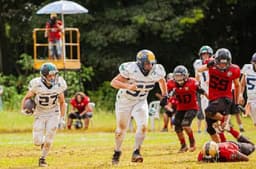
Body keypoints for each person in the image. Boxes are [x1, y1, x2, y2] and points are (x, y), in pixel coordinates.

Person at [110, 49, 168, 165]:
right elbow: (114, 82)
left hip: (140, 101)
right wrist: (127, 86)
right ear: (140, 63)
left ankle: (136, 152)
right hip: (124, 102)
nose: (150, 66)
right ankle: (117, 151)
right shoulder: (131, 69)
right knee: (121, 130)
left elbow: (162, 81)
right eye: (147, 63)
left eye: (151, 63)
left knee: (143, 126)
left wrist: (165, 95)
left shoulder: (157, 71)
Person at [21, 62, 67, 167]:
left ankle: (43, 158)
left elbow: (62, 102)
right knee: (37, 141)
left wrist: (62, 118)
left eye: (54, 75)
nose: (52, 77)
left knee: (49, 138)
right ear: (43, 76)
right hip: (40, 112)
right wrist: (23, 109)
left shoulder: (59, 84)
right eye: (50, 75)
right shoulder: (37, 84)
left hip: (53, 112)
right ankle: (42, 143)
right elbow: (27, 98)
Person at [197, 48, 244, 143]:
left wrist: (236, 102)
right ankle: (221, 146)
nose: (222, 66)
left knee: (208, 111)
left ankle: (225, 121)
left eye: (225, 63)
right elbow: (199, 69)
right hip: (213, 98)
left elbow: (238, 85)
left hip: (224, 97)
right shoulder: (211, 63)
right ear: (216, 60)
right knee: (210, 128)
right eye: (220, 63)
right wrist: (207, 65)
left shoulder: (234, 69)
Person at [167, 65, 207, 153]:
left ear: (186, 76)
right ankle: (183, 146)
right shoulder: (171, 84)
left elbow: (200, 90)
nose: (179, 78)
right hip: (181, 108)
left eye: (180, 76)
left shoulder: (192, 82)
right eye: (177, 76)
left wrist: (208, 96)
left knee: (185, 124)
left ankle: (192, 144)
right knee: (177, 127)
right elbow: (169, 94)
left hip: (192, 107)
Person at [193, 45, 213, 133]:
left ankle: (216, 126)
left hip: (213, 89)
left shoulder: (214, 62)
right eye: (203, 54)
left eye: (207, 54)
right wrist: (197, 87)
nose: (205, 56)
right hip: (204, 90)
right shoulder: (197, 63)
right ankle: (208, 127)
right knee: (205, 110)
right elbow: (197, 76)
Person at [240, 52, 256, 126]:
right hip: (251, 100)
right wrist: (240, 94)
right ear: (252, 62)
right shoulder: (247, 68)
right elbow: (242, 84)